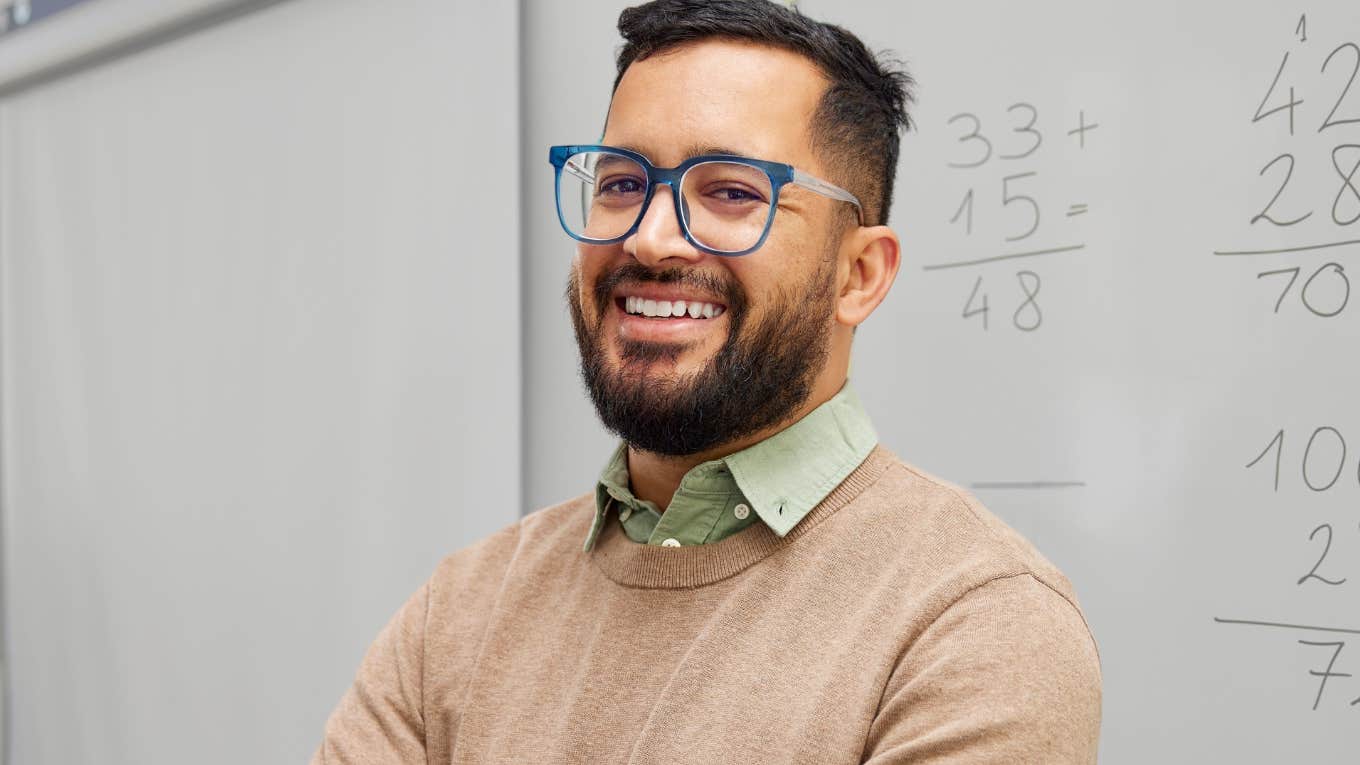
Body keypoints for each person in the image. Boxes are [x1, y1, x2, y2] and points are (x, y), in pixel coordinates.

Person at [312, 1, 1102, 762]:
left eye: (730, 192)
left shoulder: (975, 622)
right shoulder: (458, 613)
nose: (650, 239)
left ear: (858, 274)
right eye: (621, 183)